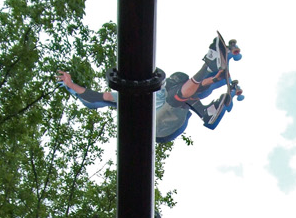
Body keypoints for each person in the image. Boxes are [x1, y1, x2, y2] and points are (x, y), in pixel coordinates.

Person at [57, 35, 241, 143]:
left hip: (172, 116)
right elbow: (95, 97)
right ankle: (208, 66)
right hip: (155, 127)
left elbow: (194, 88)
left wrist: (218, 77)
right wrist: (71, 85)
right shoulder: (125, 96)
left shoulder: (162, 87)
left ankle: (206, 111)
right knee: (175, 95)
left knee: (178, 88)